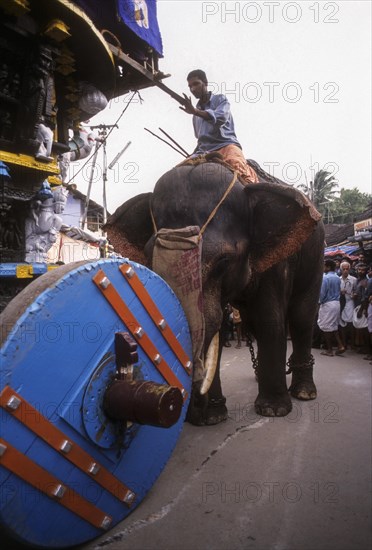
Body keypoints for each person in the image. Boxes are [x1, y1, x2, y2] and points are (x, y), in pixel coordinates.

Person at [180, 69, 259, 184]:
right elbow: (200, 139)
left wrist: (195, 111)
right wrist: (193, 154)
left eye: (196, 84)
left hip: (226, 146)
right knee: (180, 172)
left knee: (241, 173)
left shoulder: (220, 100)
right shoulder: (195, 116)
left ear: (205, 83)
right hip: (204, 152)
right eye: (190, 86)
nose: (193, 89)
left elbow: (220, 118)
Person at [317, 259, 345, 356]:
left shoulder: (325, 278)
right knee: (333, 326)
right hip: (336, 303)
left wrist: (319, 302)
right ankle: (340, 345)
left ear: (328, 267)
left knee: (325, 327)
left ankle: (329, 350)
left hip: (328, 304)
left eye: (324, 266)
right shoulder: (337, 277)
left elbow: (322, 293)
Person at [339, 261, 357, 349]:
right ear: (341, 270)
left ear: (349, 269)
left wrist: (354, 295)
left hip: (350, 302)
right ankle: (344, 343)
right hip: (342, 303)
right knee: (342, 323)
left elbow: (356, 291)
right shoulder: (338, 279)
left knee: (350, 324)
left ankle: (352, 344)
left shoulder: (353, 279)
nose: (345, 271)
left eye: (347, 269)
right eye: (344, 269)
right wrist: (340, 292)